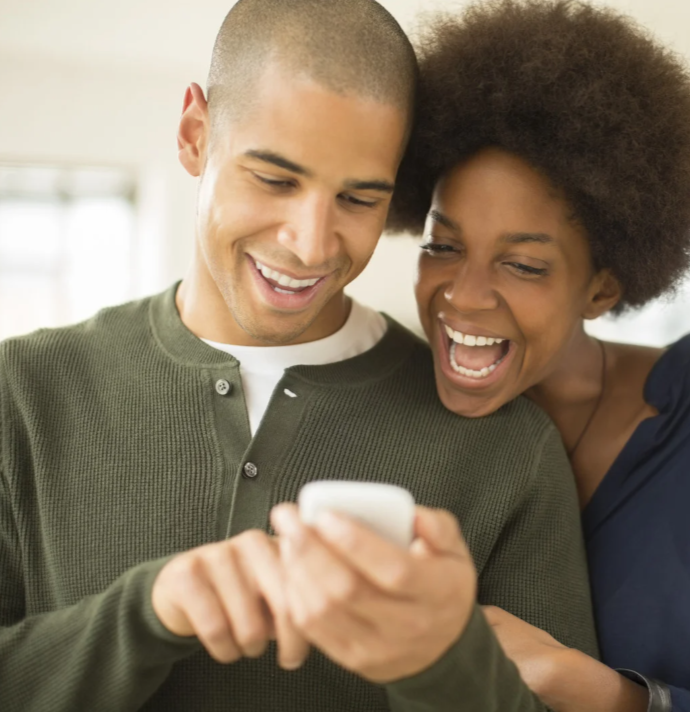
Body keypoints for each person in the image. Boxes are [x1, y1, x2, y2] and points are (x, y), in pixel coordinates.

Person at [0, 1, 598, 710]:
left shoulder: (508, 450)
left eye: (358, 199)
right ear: (195, 135)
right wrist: (147, 613)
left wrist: (443, 663)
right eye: (276, 180)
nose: (311, 245)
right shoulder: (23, 392)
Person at [389, 1, 690, 710]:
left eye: (523, 265)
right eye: (443, 246)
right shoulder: (392, 414)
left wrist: (587, 687)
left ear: (601, 288)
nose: (464, 297)